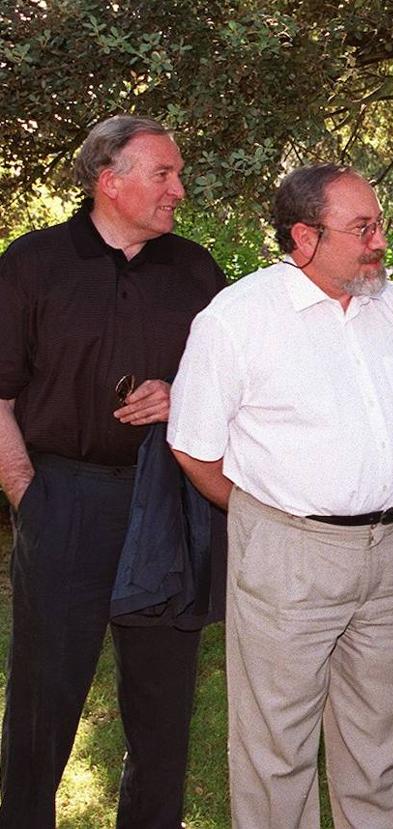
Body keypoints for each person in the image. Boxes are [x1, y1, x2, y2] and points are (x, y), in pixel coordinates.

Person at [168, 164, 393, 828]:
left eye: (380, 223)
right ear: (304, 236)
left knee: (378, 741)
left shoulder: (392, 306)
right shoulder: (238, 317)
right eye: (362, 227)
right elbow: (193, 446)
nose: (379, 240)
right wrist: (269, 518)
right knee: (276, 748)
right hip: (290, 554)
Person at [0, 115, 226, 828]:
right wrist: (29, 498)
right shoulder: (31, 263)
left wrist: (176, 393)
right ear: (110, 181)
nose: (179, 190)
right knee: (41, 705)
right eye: (164, 174)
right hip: (63, 498)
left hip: (167, 500)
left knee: (162, 714)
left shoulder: (197, 271)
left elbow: (233, 393)